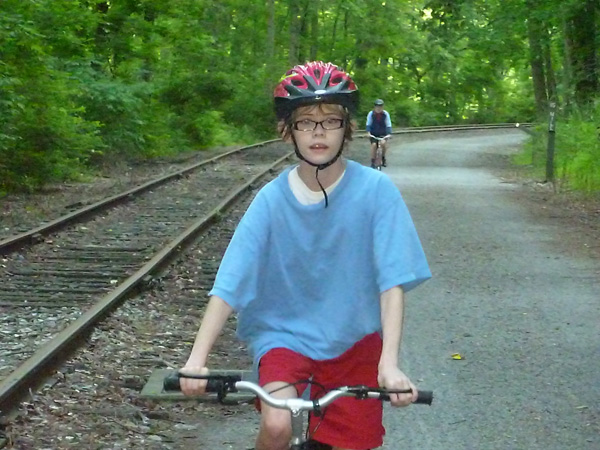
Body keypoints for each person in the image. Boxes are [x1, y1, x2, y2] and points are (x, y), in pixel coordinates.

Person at [179, 61, 431, 450]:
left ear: (346, 128)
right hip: (284, 338)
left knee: (356, 443)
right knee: (278, 424)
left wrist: (389, 364)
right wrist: (196, 361)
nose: (318, 132)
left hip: (355, 341)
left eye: (330, 120)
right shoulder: (270, 200)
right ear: (288, 131)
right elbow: (231, 281)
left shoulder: (377, 193)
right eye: (305, 121)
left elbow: (392, 282)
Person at [366, 99, 392, 168]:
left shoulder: (385, 114)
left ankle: (383, 158)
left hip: (383, 133)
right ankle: (372, 161)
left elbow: (388, 124)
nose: (378, 108)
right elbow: (368, 124)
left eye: (380, 106)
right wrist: (368, 133)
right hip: (373, 133)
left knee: (383, 144)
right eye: (377, 106)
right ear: (374, 107)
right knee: (374, 145)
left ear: (382, 107)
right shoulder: (371, 114)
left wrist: (389, 133)